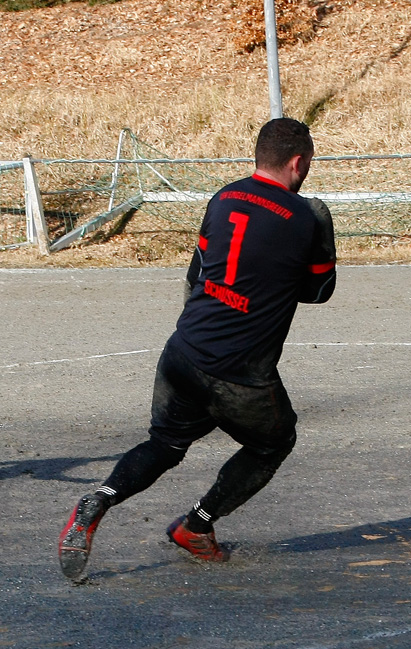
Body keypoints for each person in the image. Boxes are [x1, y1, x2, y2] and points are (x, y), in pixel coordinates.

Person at [58, 118, 337, 581]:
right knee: (274, 441)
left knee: (165, 443)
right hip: (241, 372)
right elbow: (319, 290)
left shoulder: (223, 196)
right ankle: (197, 526)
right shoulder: (305, 218)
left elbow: (197, 275)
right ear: (298, 162)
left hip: (185, 349)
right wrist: (322, 232)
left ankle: (99, 500)